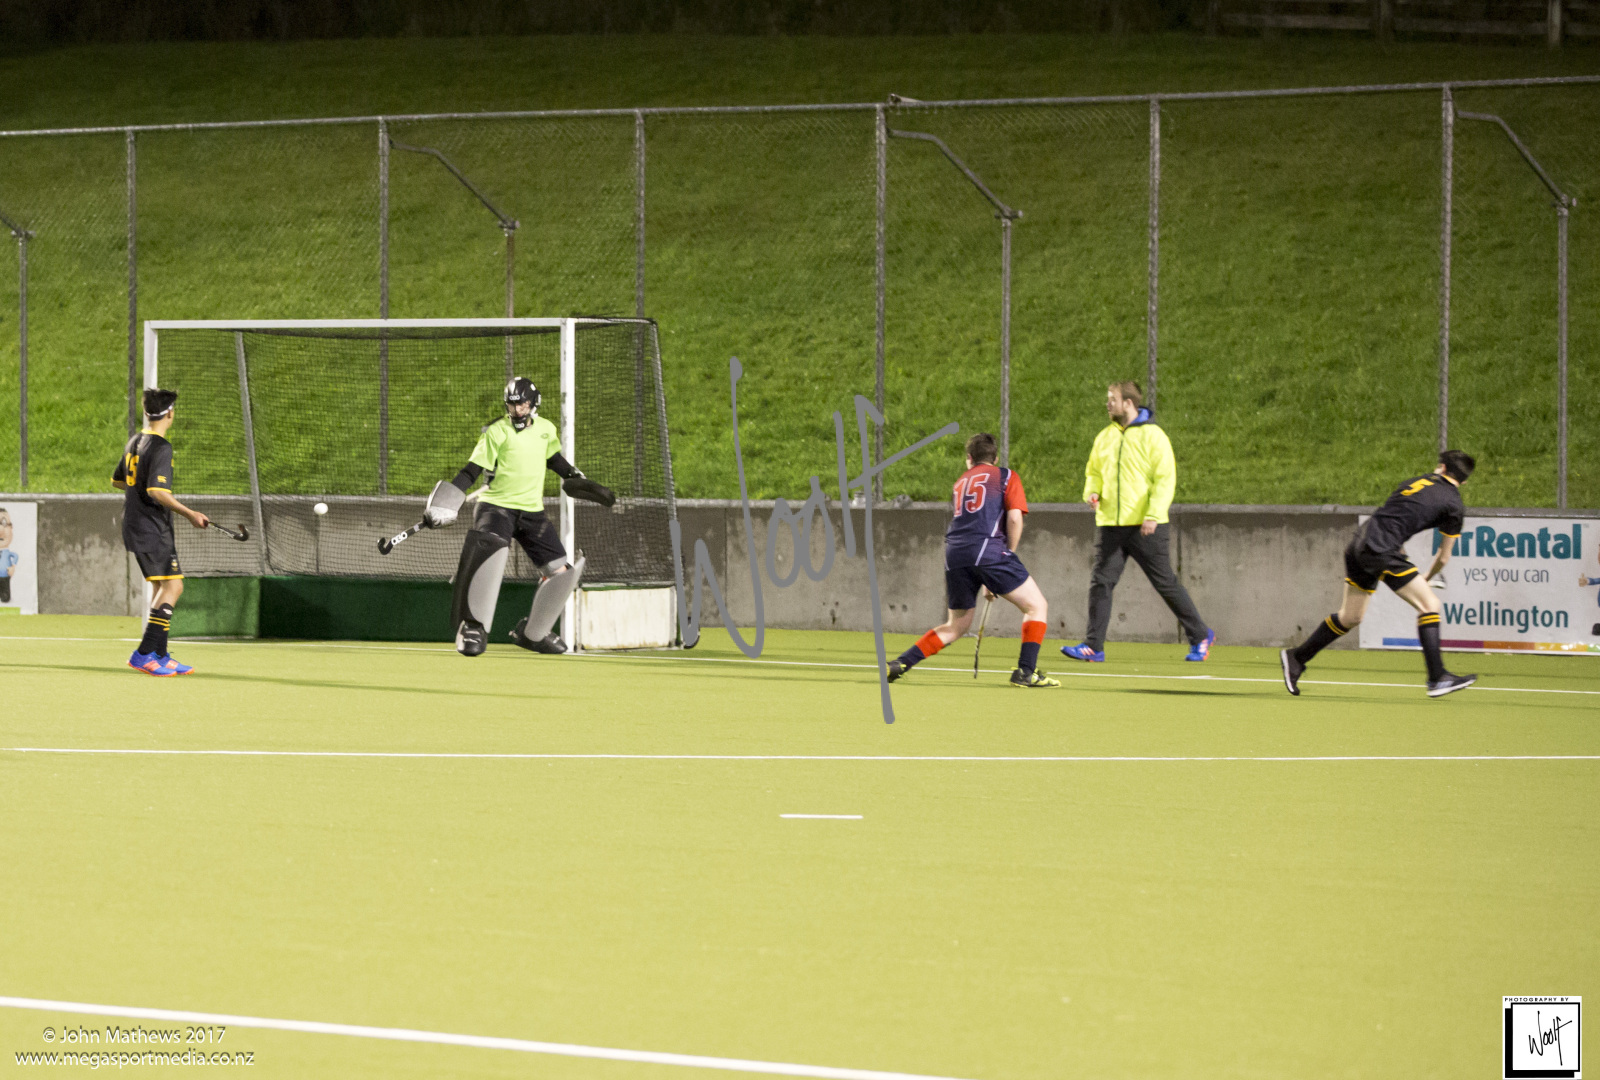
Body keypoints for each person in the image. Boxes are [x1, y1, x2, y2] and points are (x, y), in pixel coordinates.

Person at [433, 376, 609, 657]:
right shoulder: (495, 432)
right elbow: (471, 470)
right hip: (496, 508)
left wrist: (572, 474)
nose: (517, 411)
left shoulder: (546, 430)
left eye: (523, 405)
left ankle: (534, 634)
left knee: (560, 573)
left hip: (531, 512)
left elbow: (553, 459)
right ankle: (472, 628)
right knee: (488, 556)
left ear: (533, 404)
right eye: (512, 405)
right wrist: (447, 500)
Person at [1281, 451, 1478, 698]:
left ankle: (1296, 657)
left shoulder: (1416, 482)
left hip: (1359, 544)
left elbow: (1392, 518)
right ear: (1464, 481)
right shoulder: (1454, 506)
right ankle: (1437, 678)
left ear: (1442, 468)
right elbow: (1444, 557)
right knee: (1430, 605)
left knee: (1351, 616)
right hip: (1381, 550)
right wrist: (1427, 577)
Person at [887, 432, 1059, 688]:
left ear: (969, 458)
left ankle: (900, 663)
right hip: (989, 551)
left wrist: (991, 579)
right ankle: (1026, 671)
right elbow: (1014, 519)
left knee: (956, 625)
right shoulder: (1006, 476)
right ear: (995, 458)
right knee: (1036, 606)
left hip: (955, 554)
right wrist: (1007, 555)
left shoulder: (960, 483)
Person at [1061, 381, 1214, 664]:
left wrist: (1153, 514)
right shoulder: (1105, 436)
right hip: (1110, 525)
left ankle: (1201, 635)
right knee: (1101, 583)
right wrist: (1092, 492)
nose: (1108, 404)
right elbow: (1093, 472)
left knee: (1164, 583)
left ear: (1128, 403)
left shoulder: (1154, 437)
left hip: (1146, 526)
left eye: (1112, 399)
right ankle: (1093, 647)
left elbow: (1165, 479)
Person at [111, 388, 209, 676]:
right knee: (174, 587)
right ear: (170, 414)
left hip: (136, 525)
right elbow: (157, 491)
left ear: (146, 413)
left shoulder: (134, 441)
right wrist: (191, 514)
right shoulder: (161, 446)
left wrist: (139, 489)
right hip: (151, 529)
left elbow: (118, 481)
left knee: (161, 587)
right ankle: (143, 654)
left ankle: (160, 655)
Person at [0, 507, 16, 605]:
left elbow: (15, 557)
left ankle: (5, 596)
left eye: (5, 524)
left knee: (5, 595)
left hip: (5, 576)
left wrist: (13, 566)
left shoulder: (7, 553)